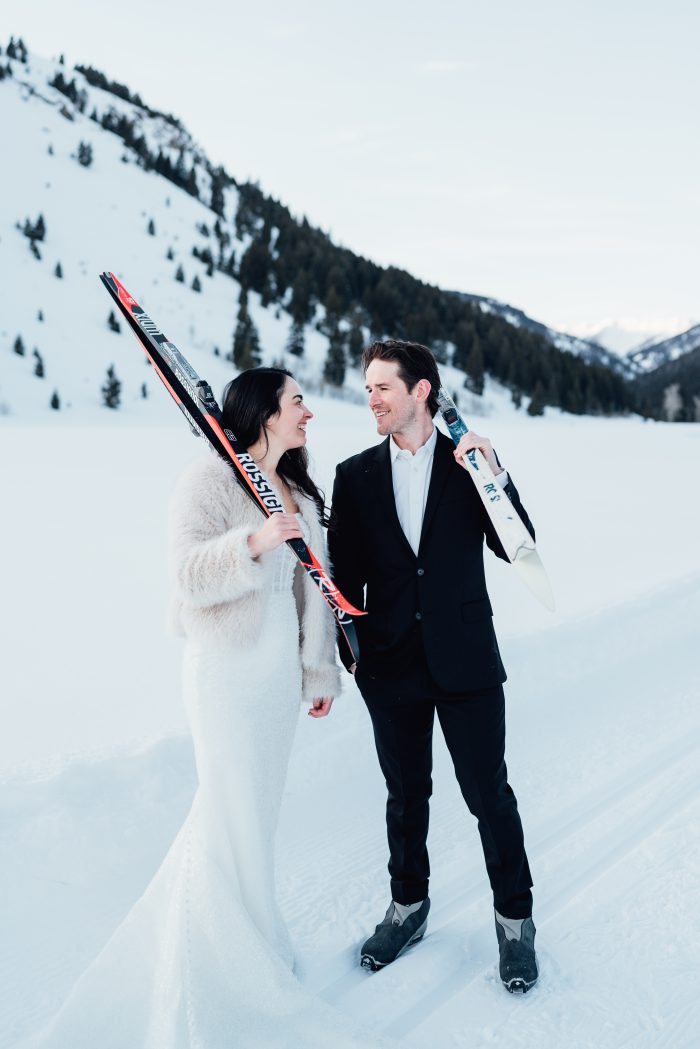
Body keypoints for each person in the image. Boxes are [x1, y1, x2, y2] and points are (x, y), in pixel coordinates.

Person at [24, 368, 389, 1048]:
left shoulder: (300, 491)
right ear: (263, 412)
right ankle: (217, 969)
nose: (309, 411)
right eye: (296, 400)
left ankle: (249, 935)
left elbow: (313, 591)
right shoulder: (211, 480)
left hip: (277, 677)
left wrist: (317, 674)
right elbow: (187, 575)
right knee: (227, 811)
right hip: (226, 672)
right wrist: (253, 542)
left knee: (258, 815)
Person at [328, 340, 539, 993]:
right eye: (367, 388)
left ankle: (515, 921)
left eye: (383, 386)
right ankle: (408, 906)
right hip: (391, 668)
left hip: (467, 660)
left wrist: (494, 474)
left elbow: (516, 546)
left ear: (421, 390)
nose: (372, 398)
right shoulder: (354, 474)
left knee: (488, 794)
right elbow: (344, 579)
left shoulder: (467, 464)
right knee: (405, 795)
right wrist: (354, 657)